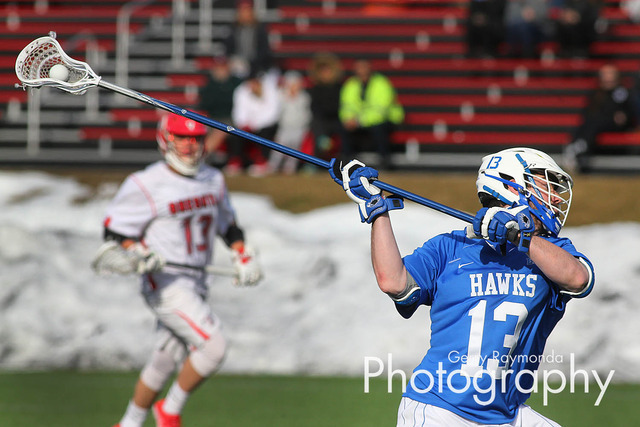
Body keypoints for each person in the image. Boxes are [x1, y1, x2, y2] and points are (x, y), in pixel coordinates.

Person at [330, 147, 594, 426]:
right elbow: (393, 281)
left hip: (505, 413)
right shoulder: (450, 247)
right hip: (440, 409)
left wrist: (520, 237)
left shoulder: (551, 251)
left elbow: (577, 278)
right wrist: (377, 210)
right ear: (509, 186)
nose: (553, 197)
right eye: (544, 184)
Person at [98, 113, 263, 427]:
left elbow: (228, 225)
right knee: (214, 346)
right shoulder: (146, 183)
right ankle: (169, 411)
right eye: (182, 137)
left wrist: (242, 255)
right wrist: (138, 252)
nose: (189, 145)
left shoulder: (212, 179)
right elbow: (115, 231)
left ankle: (129, 423)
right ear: (166, 139)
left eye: (196, 138)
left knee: (164, 361)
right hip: (165, 283)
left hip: (197, 281)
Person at [564, 63, 637, 173]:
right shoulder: (596, 93)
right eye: (605, 74)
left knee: (594, 122)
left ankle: (579, 146)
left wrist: (624, 116)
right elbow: (587, 113)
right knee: (588, 123)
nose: (608, 78)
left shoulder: (623, 93)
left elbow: (629, 114)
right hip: (595, 126)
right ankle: (577, 146)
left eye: (610, 74)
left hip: (614, 126)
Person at [339, 59, 404, 170]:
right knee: (344, 129)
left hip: (385, 120)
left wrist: (359, 121)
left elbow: (381, 111)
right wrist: (349, 120)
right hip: (360, 122)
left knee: (379, 128)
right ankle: (347, 162)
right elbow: (345, 107)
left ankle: (384, 160)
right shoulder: (350, 85)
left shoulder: (381, 83)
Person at [227, 69, 281, 176]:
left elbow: (272, 114)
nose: (252, 85)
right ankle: (236, 161)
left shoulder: (270, 90)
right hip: (247, 125)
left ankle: (262, 160)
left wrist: (255, 124)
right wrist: (245, 124)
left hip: (264, 126)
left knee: (266, 132)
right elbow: (239, 112)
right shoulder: (241, 91)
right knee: (235, 132)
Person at [197, 55, 243, 160]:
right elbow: (204, 104)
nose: (221, 70)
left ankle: (202, 156)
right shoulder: (210, 84)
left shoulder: (236, 82)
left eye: (223, 67)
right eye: (218, 67)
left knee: (220, 130)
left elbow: (239, 104)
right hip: (212, 117)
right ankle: (200, 155)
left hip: (231, 118)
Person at [268, 70, 312, 174]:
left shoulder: (304, 97)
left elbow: (306, 113)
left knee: (294, 149)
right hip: (285, 128)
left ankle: (290, 168)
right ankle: (273, 166)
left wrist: (305, 126)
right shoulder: (281, 96)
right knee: (279, 148)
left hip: (299, 128)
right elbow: (277, 111)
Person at [308, 51, 344, 163]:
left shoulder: (339, 88)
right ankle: (315, 161)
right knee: (316, 128)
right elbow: (314, 108)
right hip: (321, 121)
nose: (326, 73)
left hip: (336, 119)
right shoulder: (316, 89)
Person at [223, 0, 273, 76]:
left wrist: (251, 63)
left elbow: (264, 50)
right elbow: (228, 49)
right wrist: (234, 60)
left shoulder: (260, 29)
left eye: (247, 10)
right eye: (242, 11)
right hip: (237, 66)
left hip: (257, 67)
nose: (244, 14)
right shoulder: (233, 29)